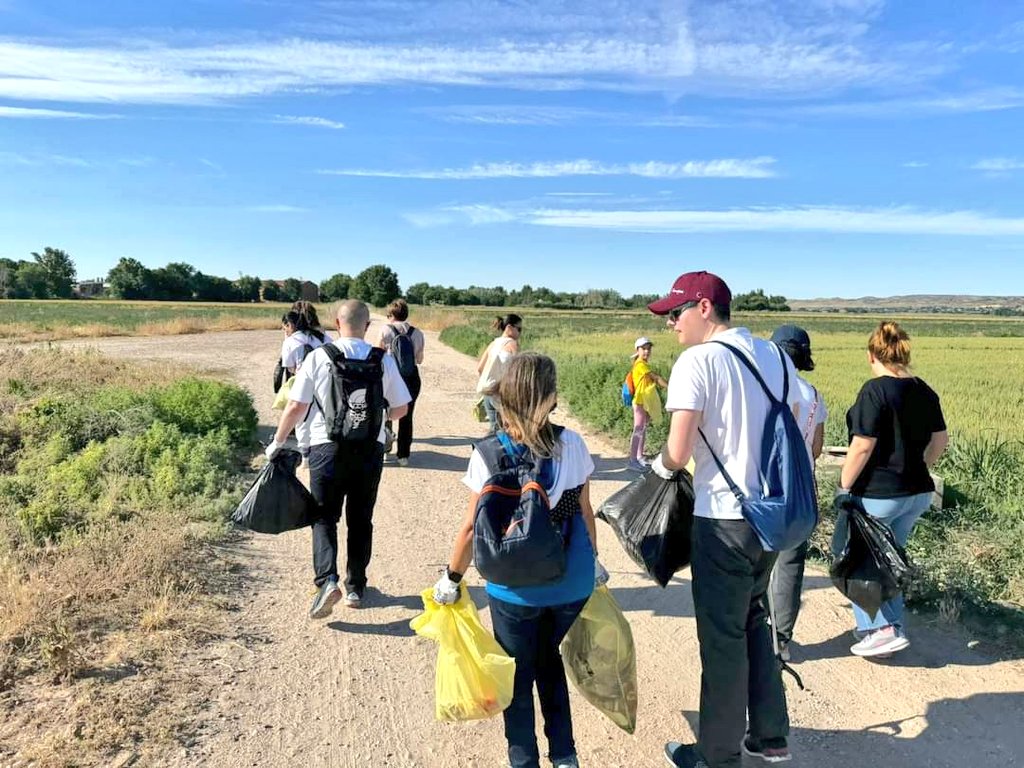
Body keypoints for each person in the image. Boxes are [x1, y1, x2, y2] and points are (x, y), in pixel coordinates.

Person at [647, 271, 802, 768]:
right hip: (772, 518)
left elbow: (677, 451)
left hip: (723, 523)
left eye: (676, 313)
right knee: (756, 618)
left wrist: (657, 469)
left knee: (722, 640)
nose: (671, 324)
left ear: (705, 309)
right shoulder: (777, 356)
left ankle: (715, 754)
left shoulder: (699, 361)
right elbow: (797, 423)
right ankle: (771, 735)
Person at [433, 353, 607, 768]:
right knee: (548, 658)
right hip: (570, 580)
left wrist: (452, 579)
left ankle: (523, 760)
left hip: (513, 586)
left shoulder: (488, 452)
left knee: (517, 673)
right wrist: (595, 562)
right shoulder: (573, 444)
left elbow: (472, 528)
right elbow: (584, 510)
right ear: (550, 398)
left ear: (505, 396)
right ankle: (565, 756)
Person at [266, 300, 411, 617]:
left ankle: (327, 581)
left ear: (335, 322)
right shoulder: (382, 360)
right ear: (367, 326)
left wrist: (277, 442)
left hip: (325, 448)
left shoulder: (320, 356)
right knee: (361, 519)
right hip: (369, 450)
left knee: (323, 516)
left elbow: (295, 406)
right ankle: (356, 586)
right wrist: (375, 413)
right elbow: (401, 409)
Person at [833, 321, 947, 658]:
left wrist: (843, 486)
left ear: (872, 355)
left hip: (879, 495)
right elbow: (940, 441)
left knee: (860, 562)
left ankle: (880, 629)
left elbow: (862, 446)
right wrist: (918, 468)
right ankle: (891, 627)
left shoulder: (874, 391)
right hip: (917, 493)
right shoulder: (924, 390)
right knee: (891, 558)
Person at [767, 325, 827, 661]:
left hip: (768, 487)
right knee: (791, 564)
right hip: (802, 489)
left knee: (756, 561)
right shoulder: (813, 394)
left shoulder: (766, 389)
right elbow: (816, 448)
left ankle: (756, 634)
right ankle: (781, 640)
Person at [279, 303, 332, 463]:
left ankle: (305, 455)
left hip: (302, 381)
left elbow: (289, 367)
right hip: (325, 382)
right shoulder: (324, 337)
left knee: (301, 418)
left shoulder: (292, 340)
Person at [376, 298, 425, 467]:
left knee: (386, 413)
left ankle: (385, 448)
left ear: (391, 315)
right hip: (411, 378)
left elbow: (378, 356)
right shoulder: (417, 333)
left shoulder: (385, 331)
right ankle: (403, 455)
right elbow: (419, 359)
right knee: (407, 416)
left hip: (389, 377)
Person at [627, 336, 668, 472]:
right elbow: (655, 378)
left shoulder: (643, 364)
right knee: (638, 429)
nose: (646, 351)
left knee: (642, 429)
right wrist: (669, 387)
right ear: (637, 350)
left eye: (648, 349)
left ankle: (639, 457)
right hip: (639, 402)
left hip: (644, 402)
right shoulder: (640, 365)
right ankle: (632, 460)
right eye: (643, 349)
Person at [476, 314, 522, 435]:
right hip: (502, 394)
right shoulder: (512, 344)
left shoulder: (493, 344)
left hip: (487, 391)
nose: (520, 333)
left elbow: (480, 368)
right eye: (519, 329)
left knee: (494, 427)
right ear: (509, 327)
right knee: (506, 431)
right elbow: (518, 371)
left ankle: (485, 452)